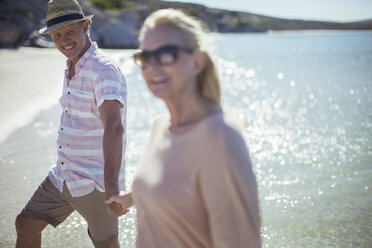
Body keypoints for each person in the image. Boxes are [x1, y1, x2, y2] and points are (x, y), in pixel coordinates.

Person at [106, 9, 261, 248]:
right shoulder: (160, 126)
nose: (153, 66)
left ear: (198, 62)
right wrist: (129, 199)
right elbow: (173, 184)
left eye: (167, 53)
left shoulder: (219, 137)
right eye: (145, 57)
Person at [15, 0, 127, 247]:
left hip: (94, 182)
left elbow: (114, 127)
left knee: (106, 244)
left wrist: (112, 187)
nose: (63, 39)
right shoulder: (72, 65)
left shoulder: (103, 69)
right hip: (63, 175)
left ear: (85, 27)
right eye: (57, 35)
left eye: (69, 32)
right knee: (26, 223)